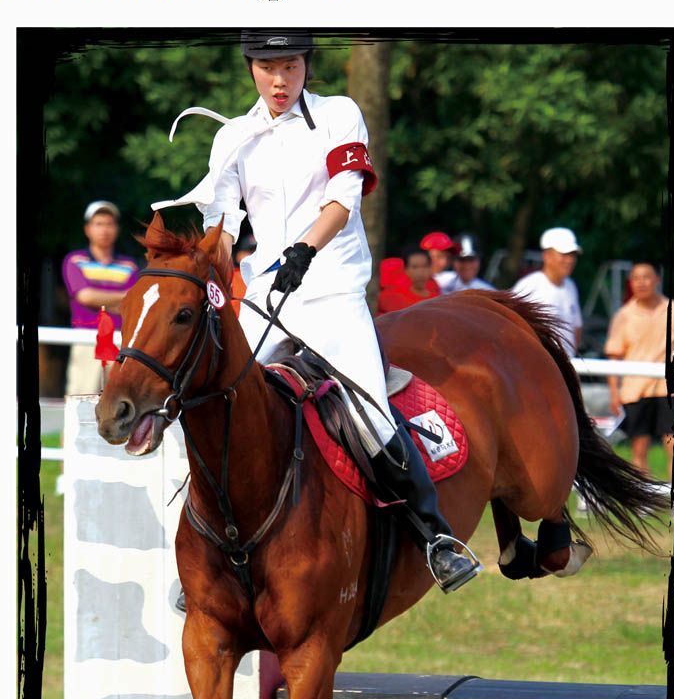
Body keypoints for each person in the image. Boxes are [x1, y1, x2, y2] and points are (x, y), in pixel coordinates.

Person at [152, 30, 481, 593]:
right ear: (250, 69)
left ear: (306, 66)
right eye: (267, 68)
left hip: (330, 288)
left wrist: (304, 250)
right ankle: (208, 548)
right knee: (210, 404)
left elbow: (344, 195)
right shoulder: (231, 136)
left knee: (373, 415)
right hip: (263, 295)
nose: (279, 80)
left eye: (290, 66)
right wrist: (211, 267)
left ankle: (435, 537)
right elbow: (225, 225)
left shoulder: (340, 114)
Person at [604, 262, 674, 477]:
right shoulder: (624, 316)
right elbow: (614, 356)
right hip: (635, 389)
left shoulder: (673, 311)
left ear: (657, 279)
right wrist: (613, 392)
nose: (641, 283)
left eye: (646, 277)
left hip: (670, 388)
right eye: (635, 278)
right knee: (639, 447)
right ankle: (645, 501)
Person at [62, 201, 140, 394]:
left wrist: (99, 299)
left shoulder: (129, 265)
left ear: (116, 229)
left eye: (109, 224)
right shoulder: (75, 260)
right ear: (88, 229)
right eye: (98, 224)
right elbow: (85, 296)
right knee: (81, 399)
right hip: (86, 338)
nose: (104, 229)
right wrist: (120, 298)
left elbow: (133, 301)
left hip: (121, 340)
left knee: (120, 401)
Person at [511, 227, 583, 357]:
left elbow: (577, 327)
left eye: (572, 255)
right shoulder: (529, 286)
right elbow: (512, 327)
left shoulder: (571, 286)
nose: (570, 260)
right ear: (547, 256)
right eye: (564, 254)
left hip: (564, 367)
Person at [377, 246, 440, 313]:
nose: (421, 272)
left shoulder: (437, 299)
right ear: (406, 270)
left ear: (430, 268)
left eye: (425, 266)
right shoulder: (391, 298)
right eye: (415, 267)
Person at [420, 231, 459, 295]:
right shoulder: (403, 282)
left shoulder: (453, 280)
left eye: (449, 258)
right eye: (439, 256)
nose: (444, 263)